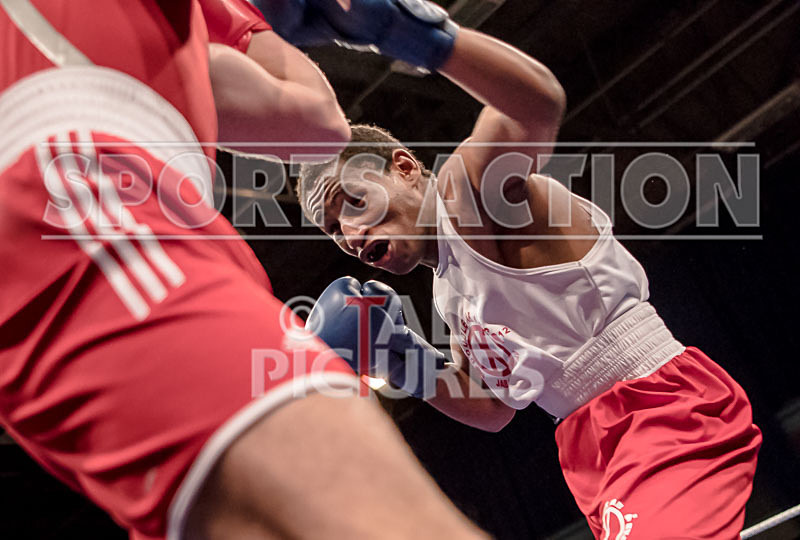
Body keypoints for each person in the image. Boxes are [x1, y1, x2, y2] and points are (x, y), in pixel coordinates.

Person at [0, 1, 488, 539]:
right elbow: (318, 120)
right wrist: (421, 40)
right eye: (333, 225)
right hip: (79, 199)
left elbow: (494, 410)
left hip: (91, 225)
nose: (349, 237)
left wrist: (405, 361)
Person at [293, 3, 763, 538]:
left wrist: (411, 35)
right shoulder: (450, 290)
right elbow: (495, 407)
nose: (351, 236)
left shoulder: (467, 191)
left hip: (660, 410)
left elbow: (535, 105)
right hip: (594, 446)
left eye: (353, 201)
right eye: (334, 230)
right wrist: (401, 360)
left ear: (402, 167)